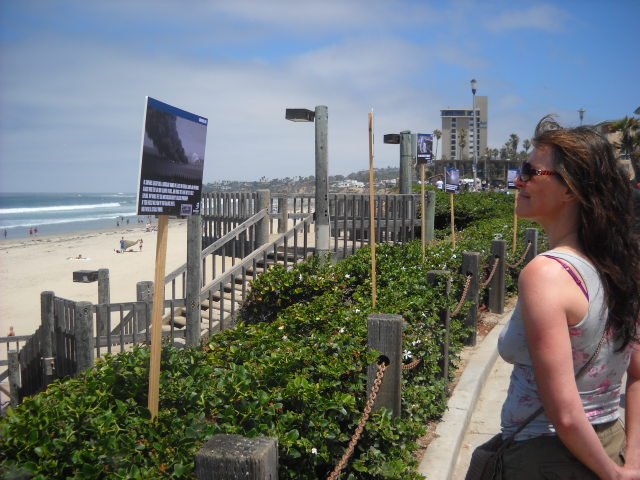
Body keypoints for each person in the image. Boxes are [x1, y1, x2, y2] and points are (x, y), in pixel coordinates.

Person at [483, 115, 640, 478]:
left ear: (570, 190)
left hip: (547, 458)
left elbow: (566, 414)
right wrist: (630, 461)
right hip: (610, 444)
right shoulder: (619, 266)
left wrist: (612, 474)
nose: (518, 179)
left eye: (531, 172)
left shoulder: (546, 274)